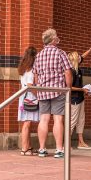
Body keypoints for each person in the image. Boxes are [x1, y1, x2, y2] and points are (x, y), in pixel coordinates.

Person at [33, 28, 73, 158]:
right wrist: (69, 88)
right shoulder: (60, 53)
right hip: (58, 90)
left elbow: (36, 75)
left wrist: (39, 88)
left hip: (43, 91)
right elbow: (67, 72)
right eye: (57, 37)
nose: (58, 39)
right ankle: (59, 149)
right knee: (58, 119)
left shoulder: (39, 55)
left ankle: (42, 149)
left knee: (44, 119)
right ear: (53, 40)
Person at [67, 43, 91, 150]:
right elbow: (69, 87)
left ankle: (80, 142)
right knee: (72, 121)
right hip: (74, 100)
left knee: (81, 120)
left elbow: (84, 55)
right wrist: (82, 89)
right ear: (74, 59)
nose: (80, 57)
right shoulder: (71, 71)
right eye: (77, 56)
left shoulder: (78, 69)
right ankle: (65, 144)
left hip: (80, 98)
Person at [17, 46, 39, 156]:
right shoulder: (31, 69)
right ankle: (24, 148)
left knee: (27, 123)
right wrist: (39, 96)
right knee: (27, 123)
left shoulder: (23, 67)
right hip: (29, 97)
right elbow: (30, 85)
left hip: (23, 96)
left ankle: (28, 146)